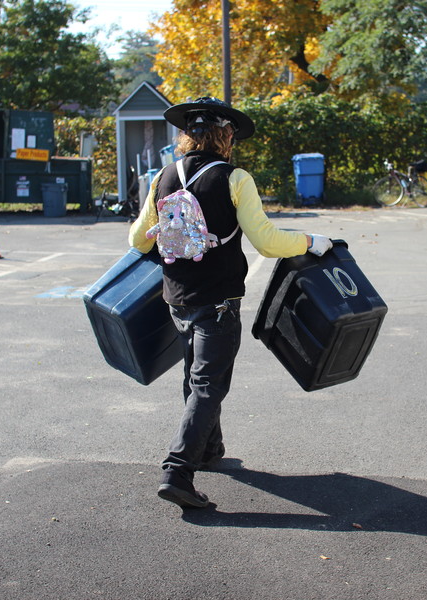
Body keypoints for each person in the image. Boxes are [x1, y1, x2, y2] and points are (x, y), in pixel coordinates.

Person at [128, 97, 333, 508]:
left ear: (188, 135)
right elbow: (267, 242)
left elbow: (137, 240)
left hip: (177, 298)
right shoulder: (235, 178)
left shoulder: (163, 177)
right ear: (226, 137)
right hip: (218, 299)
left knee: (196, 377)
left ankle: (208, 449)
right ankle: (177, 470)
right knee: (208, 384)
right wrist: (313, 241)